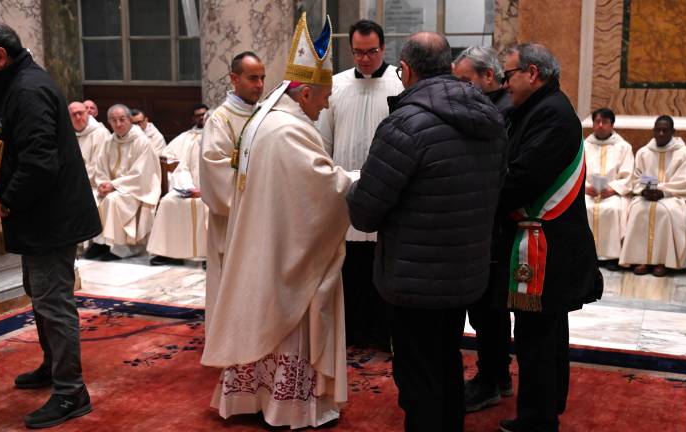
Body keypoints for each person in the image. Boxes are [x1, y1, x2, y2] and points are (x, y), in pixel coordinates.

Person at [347, 32, 506, 432]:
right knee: (447, 363)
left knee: (418, 376)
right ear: (450, 67)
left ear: (405, 69)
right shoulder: (490, 119)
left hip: (414, 277)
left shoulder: (405, 124)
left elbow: (364, 212)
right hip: (465, 271)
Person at [201, 13, 354, 428]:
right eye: (323, 97)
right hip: (286, 251)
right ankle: (287, 405)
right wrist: (357, 179)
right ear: (304, 92)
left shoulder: (265, 118)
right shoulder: (288, 129)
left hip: (265, 243)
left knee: (260, 317)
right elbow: (321, 190)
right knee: (288, 320)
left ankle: (257, 397)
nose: (325, 106)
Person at [0, 19, 101, 428]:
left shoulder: (28, 90)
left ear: (0, 56)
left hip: (50, 216)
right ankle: (54, 367)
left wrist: (5, 201)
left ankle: (72, 393)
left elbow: (39, 162)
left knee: (54, 302)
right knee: (40, 294)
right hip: (40, 214)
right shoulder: (12, 84)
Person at [496, 43, 602, 432]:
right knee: (549, 332)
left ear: (532, 73)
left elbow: (522, 178)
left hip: (545, 246)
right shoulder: (540, 109)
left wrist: (486, 198)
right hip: (550, 244)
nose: (506, 84)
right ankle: (548, 403)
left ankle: (537, 419)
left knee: (536, 335)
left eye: (509, 75)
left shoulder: (551, 115)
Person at [315, 19, 403, 350]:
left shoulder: (400, 84)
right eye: (358, 52)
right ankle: (351, 331)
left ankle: (383, 333)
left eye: (371, 52)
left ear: (383, 49)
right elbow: (323, 140)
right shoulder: (336, 86)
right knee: (349, 264)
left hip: (387, 190)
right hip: (345, 188)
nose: (364, 59)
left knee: (382, 264)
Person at [451, 45, 514, 412]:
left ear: (488, 77)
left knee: (488, 311)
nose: (459, 88)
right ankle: (498, 375)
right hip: (486, 226)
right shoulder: (494, 108)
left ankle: (491, 379)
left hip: (489, 227)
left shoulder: (496, 114)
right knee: (488, 309)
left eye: (465, 80)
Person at [199, 51, 264, 329]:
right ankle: (229, 336)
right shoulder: (219, 120)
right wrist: (259, 183)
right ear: (234, 79)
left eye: (262, 78)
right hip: (233, 220)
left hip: (261, 216)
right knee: (232, 278)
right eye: (252, 78)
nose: (259, 85)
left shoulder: (264, 115)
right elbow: (215, 168)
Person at [619, 115, 686, 276]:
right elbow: (636, 178)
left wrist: (663, 191)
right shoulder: (644, 152)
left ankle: (662, 261)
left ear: (673, 132)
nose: (661, 133)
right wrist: (643, 190)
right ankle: (641, 259)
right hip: (647, 196)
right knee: (637, 209)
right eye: (658, 130)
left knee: (665, 212)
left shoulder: (685, 153)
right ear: (653, 131)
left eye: (665, 130)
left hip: (674, 197)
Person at [85, 104, 161, 260]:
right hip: (114, 188)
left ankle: (119, 249)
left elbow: (141, 174)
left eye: (122, 119)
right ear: (109, 123)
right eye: (114, 120)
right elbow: (101, 168)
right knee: (92, 197)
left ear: (130, 120)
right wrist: (104, 184)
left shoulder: (142, 142)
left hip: (137, 189)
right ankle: (100, 243)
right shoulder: (108, 142)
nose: (118, 124)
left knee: (113, 200)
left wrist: (114, 185)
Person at [146, 109, 209, 266]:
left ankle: (209, 255)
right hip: (192, 189)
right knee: (168, 202)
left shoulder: (225, 144)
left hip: (212, 194)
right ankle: (168, 253)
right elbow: (183, 167)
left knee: (206, 206)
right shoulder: (195, 144)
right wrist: (188, 187)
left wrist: (205, 191)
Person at [583, 108, 634, 266]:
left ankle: (610, 257)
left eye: (604, 122)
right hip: (588, 191)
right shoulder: (583, 146)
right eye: (597, 122)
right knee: (584, 207)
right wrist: (585, 188)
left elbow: (628, 175)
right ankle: (585, 255)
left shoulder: (624, 147)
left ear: (612, 125)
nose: (600, 125)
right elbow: (576, 172)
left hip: (612, 194)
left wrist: (612, 189)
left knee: (613, 209)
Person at [68, 101, 111, 190]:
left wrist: (75, 179)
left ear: (87, 114)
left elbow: (97, 166)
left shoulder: (101, 134)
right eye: (74, 114)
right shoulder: (67, 134)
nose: (78, 117)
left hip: (92, 185)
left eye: (80, 113)